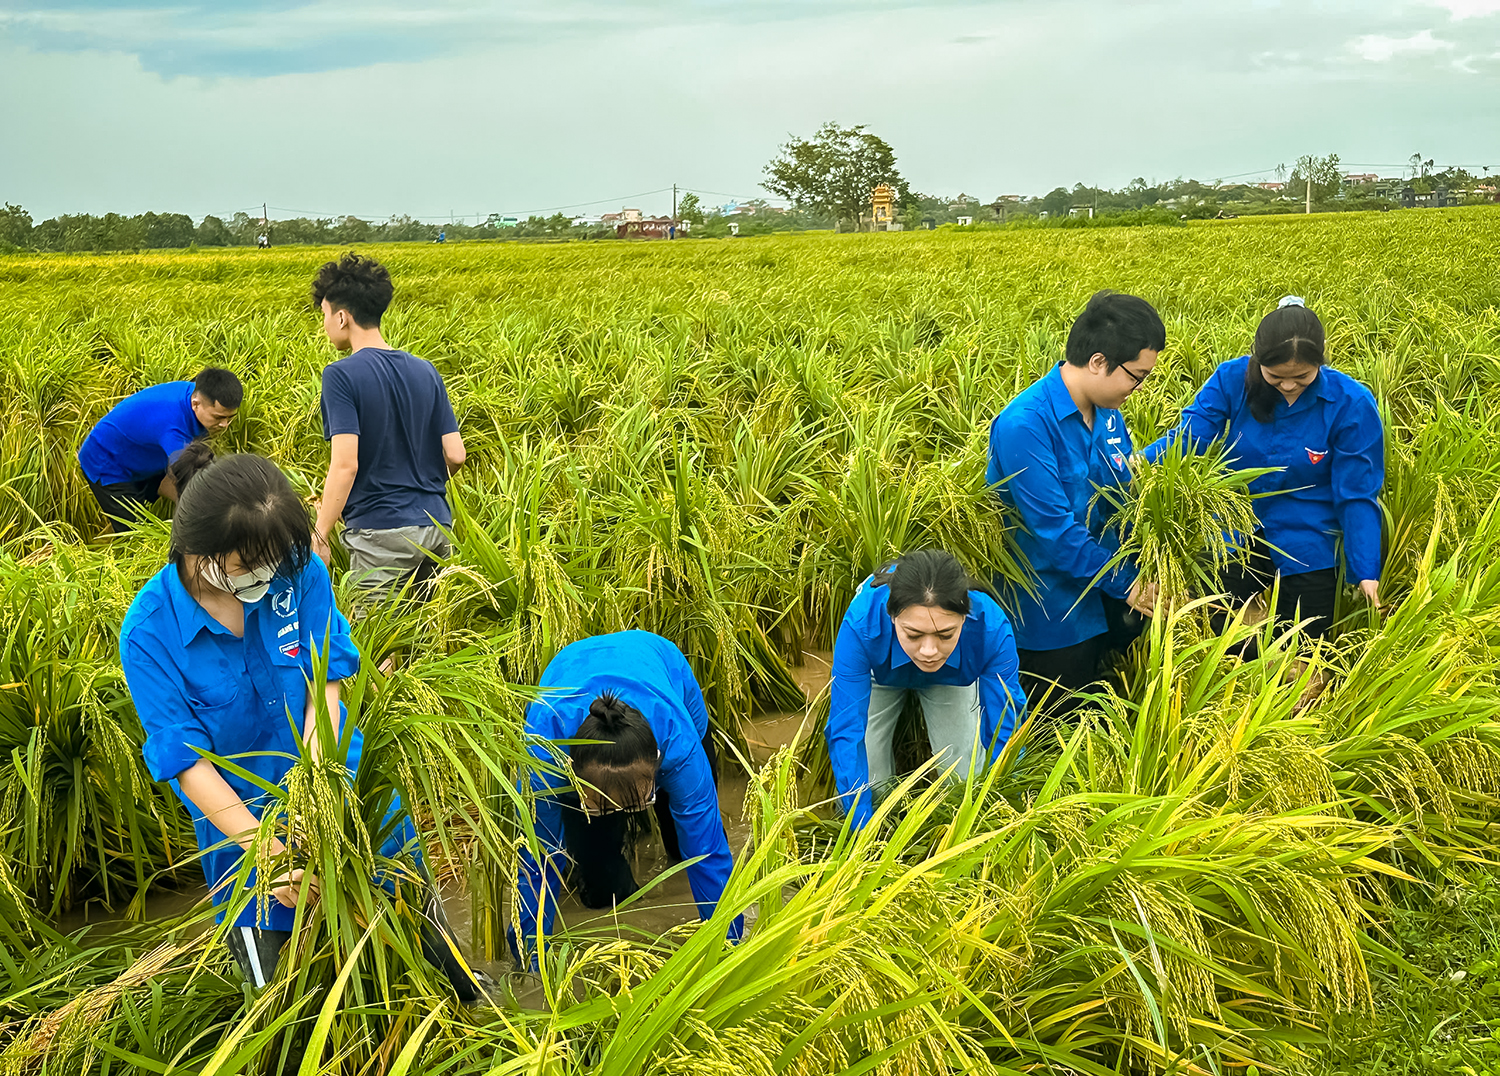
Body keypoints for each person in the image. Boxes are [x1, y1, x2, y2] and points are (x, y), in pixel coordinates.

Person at [119, 454, 481, 999]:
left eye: (277, 560)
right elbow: (185, 762)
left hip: (349, 798)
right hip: (245, 835)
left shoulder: (299, 571)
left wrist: (321, 807)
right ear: (200, 552)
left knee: (435, 960)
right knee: (282, 1007)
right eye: (250, 564)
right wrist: (272, 854)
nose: (270, 574)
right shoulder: (150, 633)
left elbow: (325, 689)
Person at [1142, 297, 1384, 643]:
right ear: (1257, 359)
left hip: (1309, 539)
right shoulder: (1231, 380)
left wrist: (1365, 570)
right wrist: (1139, 464)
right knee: (1225, 639)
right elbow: (1189, 436)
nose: (1288, 386)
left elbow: (1357, 493)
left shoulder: (1351, 404)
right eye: (1276, 377)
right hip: (1235, 531)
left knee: (1305, 645)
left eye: (1301, 377)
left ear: (1321, 361)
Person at [510, 631, 741, 969]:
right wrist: (529, 961)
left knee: (686, 846)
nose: (622, 811)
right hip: (571, 665)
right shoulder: (545, 753)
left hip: (658, 660)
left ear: (660, 763)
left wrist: (730, 951)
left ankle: (642, 810)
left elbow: (709, 853)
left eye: (636, 803)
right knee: (603, 889)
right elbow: (536, 862)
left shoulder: (680, 745)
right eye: (602, 804)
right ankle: (603, 823)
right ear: (572, 777)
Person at [987, 291, 1164, 711]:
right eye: (1135, 376)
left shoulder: (1108, 412)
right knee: (1058, 733)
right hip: (1052, 613)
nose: (1138, 388)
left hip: (1106, 598)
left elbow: (1121, 494)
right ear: (1099, 361)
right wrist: (1129, 583)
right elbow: (1056, 532)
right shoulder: (1026, 426)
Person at [827, 550, 1027, 831]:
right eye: (914, 634)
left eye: (946, 634)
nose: (929, 651)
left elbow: (1005, 727)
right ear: (892, 617)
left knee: (963, 777)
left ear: (964, 618)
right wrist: (861, 833)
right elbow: (846, 731)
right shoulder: (862, 624)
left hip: (951, 678)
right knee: (873, 783)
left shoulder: (990, 630)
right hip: (880, 673)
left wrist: (1013, 810)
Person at [311, 253, 466, 597]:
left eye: (323, 315)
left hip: (379, 532)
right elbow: (456, 455)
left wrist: (321, 533)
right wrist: (417, 483)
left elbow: (346, 464)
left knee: (380, 644)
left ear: (341, 317)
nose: (324, 325)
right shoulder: (425, 369)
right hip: (436, 525)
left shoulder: (340, 375)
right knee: (428, 637)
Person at [77, 368, 241, 532]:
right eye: (218, 417)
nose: (225, 425)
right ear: (195, 404)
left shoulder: (197, 395)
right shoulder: (173, 430)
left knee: (194, 504)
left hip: (145, 452)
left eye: (230, 417)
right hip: (106, 462)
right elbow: (193, 481)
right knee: (134, 533)